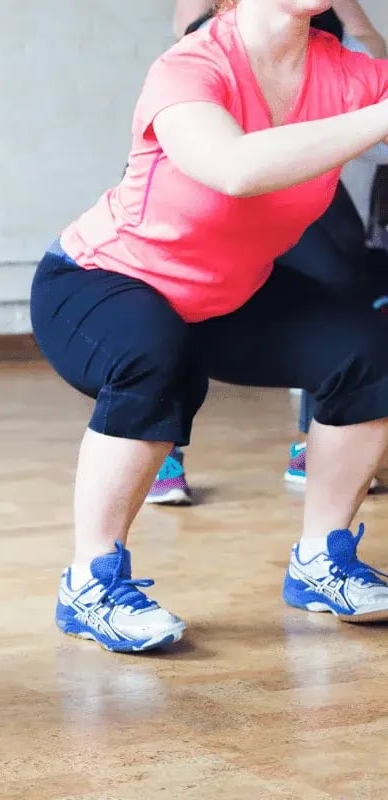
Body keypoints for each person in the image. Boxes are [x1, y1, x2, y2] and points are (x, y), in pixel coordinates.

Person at [31, 0, 388, 654]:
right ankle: (90, 583)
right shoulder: (190, 67)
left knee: (367, 349)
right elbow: (235, 168)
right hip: (100, 280)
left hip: (227, 293)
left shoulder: (349, 76)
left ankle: (321, 562)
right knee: (153, 352)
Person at [147, 0, 388, 504]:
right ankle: (161, 447)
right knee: (174, 303)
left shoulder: (328, 21)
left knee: (343, 289)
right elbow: (189, 34)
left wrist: (352, 15)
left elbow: (375, 72)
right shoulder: (208, 47)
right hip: (220, 175)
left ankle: (314, 443)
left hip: (298, 177)